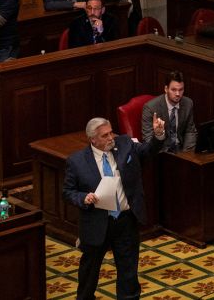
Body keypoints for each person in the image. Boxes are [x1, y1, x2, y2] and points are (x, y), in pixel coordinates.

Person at [63, 115, 164, 300]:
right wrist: (83, 197)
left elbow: (149, 150)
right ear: (92, 139)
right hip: (96, 221)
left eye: (111, 133)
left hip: (125, 220)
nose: (111, 138)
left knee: (128, 270)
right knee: (89, 271)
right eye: (104, 136)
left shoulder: (125, 144)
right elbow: (68, 191)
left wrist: (158, 135)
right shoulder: (76, 161)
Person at [141, 71, 196, 153]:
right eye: (174, 90)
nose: (178, 94)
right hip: (161, 153)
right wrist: (159, 135)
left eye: (181, 90)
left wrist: (187, 155)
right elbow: (148, 141)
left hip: (181, 150)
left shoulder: (188, 103)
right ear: (166, 89)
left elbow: (190, 131)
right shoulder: (150, 108)